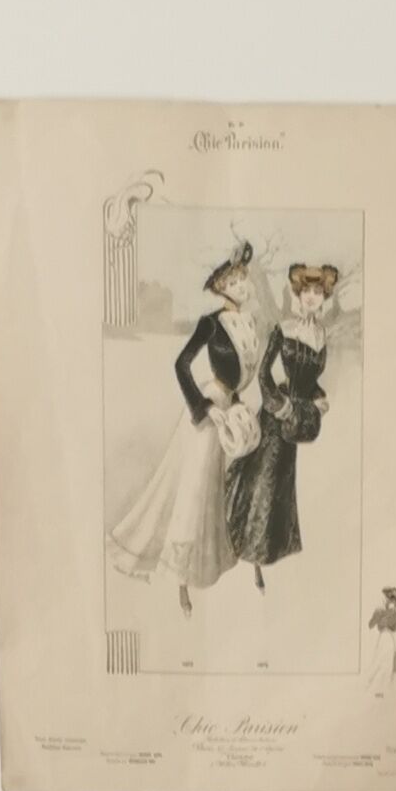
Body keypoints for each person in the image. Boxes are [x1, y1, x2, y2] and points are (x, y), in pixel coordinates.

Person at [108, 244, 261, 612]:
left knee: (222, 489)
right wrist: (206, 407)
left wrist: (237, 408)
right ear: (222, 287)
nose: (242, 285)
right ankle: (180, 582)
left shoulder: (249, 324)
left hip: (232, 409)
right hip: (208, 415)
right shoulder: (211, 323)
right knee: (193, 492)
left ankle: (218, 562)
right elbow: (182, 365)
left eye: (243, 279)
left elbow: (240, 376)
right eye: (234, 281)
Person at [228, 263, 336, 585]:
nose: (313, 297)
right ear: (296, 293)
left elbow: (311, 380)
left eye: (318, 292)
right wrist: (281, 406)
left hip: (299, 421)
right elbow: (264, 376)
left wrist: (319, 399)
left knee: (281, 490)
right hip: (277, 419)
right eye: (307, 292)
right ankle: (248, 556)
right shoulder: (284, 328)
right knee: (261, 483)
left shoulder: (321, 335)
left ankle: (265, 555)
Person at [363, 582, 396, 695]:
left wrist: (382, 615)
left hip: (388, 639)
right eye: (389, 600)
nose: (391, 603)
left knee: (387, 666)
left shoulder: (395, 614)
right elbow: (371, 625)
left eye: (393, 601)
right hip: (383, 639)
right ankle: (370, 687)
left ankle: (384, 691)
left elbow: (391, 626)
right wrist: (378, 614)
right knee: (377, 663)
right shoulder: (381, 611)